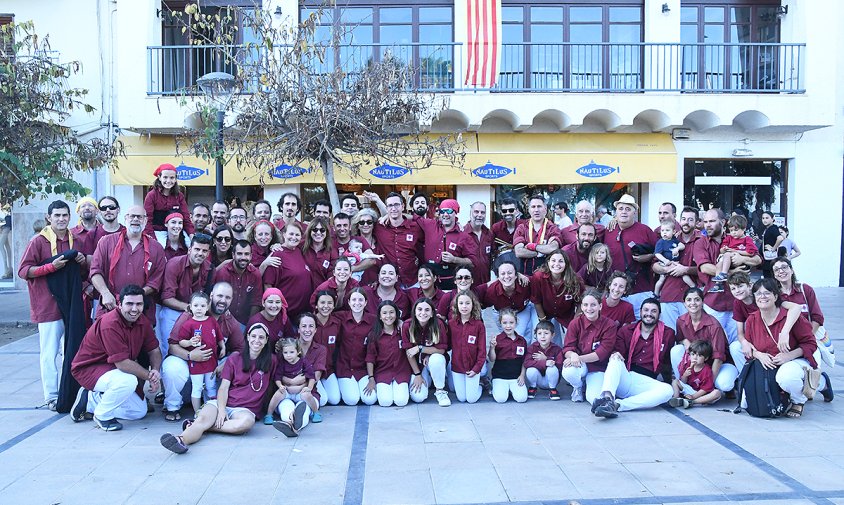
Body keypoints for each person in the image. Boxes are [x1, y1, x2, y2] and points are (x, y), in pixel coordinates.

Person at [159, 322, 277, 454]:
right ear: (248, 337)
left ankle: (202, 426)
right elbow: (223, 388)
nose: (257, 340)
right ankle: (180, 440)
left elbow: (273, 385)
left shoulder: (272, 361)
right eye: (253, 336)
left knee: (245, 423)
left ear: (267, 340)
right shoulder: (234, 358)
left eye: (261, 337)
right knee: (204, 419)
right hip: (223, 402)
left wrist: (268, 411)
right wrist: (221, 410)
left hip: (245, 409)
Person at [20, 200, 87, 410]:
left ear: (70, 217)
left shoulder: (74, 240)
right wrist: (50, 267)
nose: (61, 219)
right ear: (49, 218)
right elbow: (24, 271)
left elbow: (81, 273)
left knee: (72, 349)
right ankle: (51, 395)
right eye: (57, 215)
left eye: (65, 215)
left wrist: (84, 262)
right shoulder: (39, 242)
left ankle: (70, 392)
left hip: (71, 305)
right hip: (47, 304)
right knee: (49, 353)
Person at [70, 285, 161, 431]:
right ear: (119, 304)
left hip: (113, 369)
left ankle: (91, 401)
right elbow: (123, 364)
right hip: (89, 369)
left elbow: (154, 349)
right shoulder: (110, 323)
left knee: (138, 411)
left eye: (139, 304)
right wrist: (150, 377)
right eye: (129, 304)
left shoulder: (142, 320)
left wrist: (155, 371)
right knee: (128, 381)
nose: (134, 309)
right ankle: (102, 415)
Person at [743, 279, 832, 419]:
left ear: (776, 296)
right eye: (758, 293)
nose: (762, 296)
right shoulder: (752, 320)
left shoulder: (791, 317)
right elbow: (749, 348)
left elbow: (810, 344)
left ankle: (802, 398)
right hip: (770, 363)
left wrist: (789, 356)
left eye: (767, 293)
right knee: (745, 402)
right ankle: (811, 385)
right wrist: (759, 355)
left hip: (796, 360)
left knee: (786, 377)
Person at [161, 282, 244, 420]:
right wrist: (190, 355)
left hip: (212, 364)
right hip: (188, 361)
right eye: (219, 296)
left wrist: (226, 364)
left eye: (227, 298)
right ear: (211, 296)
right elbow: (172, 345)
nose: (223, 300)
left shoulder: (229, 320)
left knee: (236, 363)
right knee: (172, 367)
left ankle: (215, 407)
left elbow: (240, 349)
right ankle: (172, 406)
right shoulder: (190, 315)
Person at [591, 299, 675, 418]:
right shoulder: (626, 331)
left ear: (659, 315)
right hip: (626, 377)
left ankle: (617, 405)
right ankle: (607, 398)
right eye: (646, 310)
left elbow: (667, 362)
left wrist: (671, 381)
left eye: (653, 311)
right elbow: (617, 352)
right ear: (640, 312)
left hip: (645, 382)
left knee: (667, 391)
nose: (649, 314)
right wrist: (616, 354)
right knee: (615, 358)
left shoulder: (668, 333)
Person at [693, 209, 760, 344]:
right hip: (713, 303)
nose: (708, 225)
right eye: (705, 222)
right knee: (713, 344)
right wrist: (732, 273)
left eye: (712, 221)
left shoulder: (737, 238)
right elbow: (705, 267)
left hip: (738, 302)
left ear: (722, 222)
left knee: (739, 344)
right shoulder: (700, 243)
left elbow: (758, 260)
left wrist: (743, 259)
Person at [669, 287, 738, 395]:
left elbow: (718, 358)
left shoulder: (713, 325)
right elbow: (680, 338)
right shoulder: (681, 320)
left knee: (725, 384)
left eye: (697, 299)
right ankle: (683, 386)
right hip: (697, 364)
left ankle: (718, 389)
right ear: (684, 303)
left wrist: (709, 384)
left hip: (719, 364)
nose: (693, 303)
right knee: (676, 350)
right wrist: (686, 341)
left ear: (702, 302)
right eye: (689, 300)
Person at [158, 233, 213, 358]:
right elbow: (166, 298)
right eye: (197, 249)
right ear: (190, 249)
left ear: (208, 253)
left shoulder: (209, 269)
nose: (200, 253)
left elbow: (207, 296)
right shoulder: (174, 264)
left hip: (196, 312)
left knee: (197, 345)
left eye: (204, 251)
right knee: (168, 347)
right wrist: (188, 307)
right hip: (173, 310)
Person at [561, 289, 618, 403]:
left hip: (598, 367)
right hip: (579, 365)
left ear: (600, 306)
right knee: (568, 372)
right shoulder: (575, 323)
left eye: (593, 305)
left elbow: (602, 353)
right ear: (581, 307)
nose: (589, 308)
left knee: (593, 399)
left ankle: (589, 385)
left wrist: (577, 358)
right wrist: (572, 355)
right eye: (585, 305)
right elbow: (567, 348)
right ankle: (578, 386)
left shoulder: (609, 325)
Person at [604, 195, 657, 317]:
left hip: (640, 292)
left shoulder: (645, 230)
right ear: (615, 212)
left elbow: (659, 253)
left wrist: (648, 257)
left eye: (628, 209)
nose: (624, 212)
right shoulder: (608, 230)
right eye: (620, 208)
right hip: (615, 293)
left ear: (635, 212)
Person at [174, 292, 224, 416]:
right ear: (190, 306)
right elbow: (181, 342)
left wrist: (223, 346)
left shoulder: (211, 321)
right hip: (196, 363)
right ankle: (198, 413)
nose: (199, 309)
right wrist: (190, 342)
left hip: (211, 362)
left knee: (211, 387)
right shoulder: (188, 324)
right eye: (196, 305)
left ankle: (211, 411)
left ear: (207, 307)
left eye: (202, 306)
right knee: (197, 388)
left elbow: (219, 336)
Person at [414, 198, 476, 290]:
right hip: (429, 282)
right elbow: (412, 217)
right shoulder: (430, 225)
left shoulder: (464, 236)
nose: (445, 215)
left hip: (451, 283)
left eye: (449, 211)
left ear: (455, 213)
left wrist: (454, 259)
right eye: (442, 211)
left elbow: (472, 262)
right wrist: (388, 216)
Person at [656, 206, 700, 331]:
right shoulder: (668, 238)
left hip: (691, 298)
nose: (686, 222)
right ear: (679, 221)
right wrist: (666, 268)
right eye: (683, 219)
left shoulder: (701, 241)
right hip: (669, 294)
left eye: (690, 220)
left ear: (697, 223)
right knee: (669, 333)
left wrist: (685, 270)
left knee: (691, 334)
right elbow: (654, 265)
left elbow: (707, 268)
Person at [403, 297, 451, 406]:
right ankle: (429, 379)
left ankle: (440, 390)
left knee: (436, 359)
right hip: (417, 365)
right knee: (418, 397)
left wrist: (421, 348)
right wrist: (417, 374)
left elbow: (441, 350)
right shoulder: (407, 325)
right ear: (414, 311)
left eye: (427, 310)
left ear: (432, 313)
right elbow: (409, 353)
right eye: (419, 309)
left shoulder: (438, 324)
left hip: (434, 360)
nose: (423, 313)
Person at [530, 250, 584, 344]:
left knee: (573, 338)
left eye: (560, 261)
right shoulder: (538, 277)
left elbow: (580, 302)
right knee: (541, 337)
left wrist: (575, 321)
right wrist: (543, 320)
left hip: (566, 314)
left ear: (566, 264)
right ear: (548, 262)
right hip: (544, 311)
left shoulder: (575, 280)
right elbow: (536, 300)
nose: (556, 264)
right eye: (553, 260)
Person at [365, 301, 411, 407]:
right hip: (383, 373)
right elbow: (370, 358)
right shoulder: (374, 335)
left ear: (396, 315)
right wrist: (371, 378)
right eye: (384, 313)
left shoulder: (403, 331)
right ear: (380, 316)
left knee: (401, 401)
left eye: (391, 312)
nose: (388, 316)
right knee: (385, 402)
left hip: (401, 372)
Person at [267, 338, 316, 437]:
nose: (288, 355)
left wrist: (309, 388)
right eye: (285, 352)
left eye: (291, 352)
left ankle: (316, 412)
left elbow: (311, 376)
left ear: (298, 352)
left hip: (300, 392)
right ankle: (269, 414)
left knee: (307, 395)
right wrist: (280, 386)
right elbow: (277, 377)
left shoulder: (303, 362)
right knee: (278, 394)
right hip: (287, 392)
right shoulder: (282, 364)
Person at [336, 288, 378, 406]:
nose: (357, 303)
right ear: (349, 302)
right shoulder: (340, 317)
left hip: (363, 368)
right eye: (354, 300)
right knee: (352, 400)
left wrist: (400, 322)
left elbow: (390, 320)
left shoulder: (373, 320)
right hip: (345, 367)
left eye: (360, 300)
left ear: (365, 302)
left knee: (370, 400)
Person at [263, 223, 314, 317]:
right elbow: (268, 284)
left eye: (297, 235)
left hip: (303, 312)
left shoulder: (299, 251)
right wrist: (275, 308)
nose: (294, 237)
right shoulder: (278, 253)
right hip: (286, 313)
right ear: (284, 234)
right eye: (291, 234)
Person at [373, 192, 422, 288]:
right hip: (390, 284)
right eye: (390, 205)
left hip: (413, 281)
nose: (393, 208)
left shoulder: (415, 227)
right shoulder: (379, 227)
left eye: (396, 205)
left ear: (403, 206)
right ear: (386, 208)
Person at [448, 290, 487, 404]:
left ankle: (480, 384)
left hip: (473, 366)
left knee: (471, 399)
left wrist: (476, 369)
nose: (464, 306)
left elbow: (482, 350)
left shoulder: (479, 325)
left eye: (467, 303)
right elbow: (447, 345)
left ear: (473, 305)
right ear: (456, 305)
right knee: (461, 398)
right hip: (457, 367)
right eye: (461, 303)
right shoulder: (451, 324)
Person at [212, 240, 262, 326]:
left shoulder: (255, 274)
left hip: (245, 321)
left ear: (250, 256)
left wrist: (250, 324)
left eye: (246, 254)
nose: (243, 257)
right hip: (224, 320)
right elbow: (218, 300)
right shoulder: (224, 272)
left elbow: (256, 302)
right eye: (239, 254)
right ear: (233, 255)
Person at [480, 261, 535, 339]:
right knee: (506, 338)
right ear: (498, 277)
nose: (506, 276)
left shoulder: (525, 282)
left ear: (516, 275)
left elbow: (540, 283)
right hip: (501, 312)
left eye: (509, 273)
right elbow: (483, 305)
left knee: (519, 335)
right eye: (502, 274)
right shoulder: (492, 290)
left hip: (522, 310)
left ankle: (524, 350)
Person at [514, 195, 562, 275]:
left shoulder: (552, 228)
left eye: (539, 206)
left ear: (545, 209)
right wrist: (540, 253)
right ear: (529, 210)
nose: (536, 210)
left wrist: (533, 246)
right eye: (533, 207)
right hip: (525, 278)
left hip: (547, 277)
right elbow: (519, 252)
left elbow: (553, 248)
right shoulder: (521, 228)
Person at [488, 308, 528, 403]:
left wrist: (522, 375)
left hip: (516, 377)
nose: (508, 326)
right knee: (501, 399)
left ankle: (510, 389)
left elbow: (524, 360)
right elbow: (492, 359)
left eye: (511, 322)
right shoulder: (497, 339)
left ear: (516, 323)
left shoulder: (522, 340)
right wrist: (492, 347)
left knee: (521, 399)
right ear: (500, 323)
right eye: (505, 323)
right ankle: (496, 386)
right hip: (500, 376)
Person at [143, 163, 193, 236]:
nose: (168, 181)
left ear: (176, 179)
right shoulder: (151, 195)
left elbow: (186, 218)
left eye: (172, 178)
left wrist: (191, 234)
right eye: (165, 177)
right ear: (159, 177)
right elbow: (147, 219)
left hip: (177, 232)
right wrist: (152, 238)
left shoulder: (180, 196)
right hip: (157, 232)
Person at [669, 339, 720, 408]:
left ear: (706, 358)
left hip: (701, 394)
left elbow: (705, 389)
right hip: (689, 390)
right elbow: (683, 382)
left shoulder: (706, 370)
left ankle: (692, 402)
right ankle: (676, 398)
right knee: (675, 381)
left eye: (699, 355)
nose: (695, 358)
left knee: (716, 393)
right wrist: (685, 375)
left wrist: (693, 397)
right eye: (693, 354)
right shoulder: (687, 364)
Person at [711, 215, 758, 288]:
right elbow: (721, 250)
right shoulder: (729, 238)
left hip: (740, 260)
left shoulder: (747, 239)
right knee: (719, 264)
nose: (733, 233)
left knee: (727, 255)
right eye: (731, 230)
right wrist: (723, 249)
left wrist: (735, 251)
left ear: (744, 229)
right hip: (728, 261)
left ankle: (724, 274)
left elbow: (750, 252)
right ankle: (718, 284)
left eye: (736, 230)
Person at [295, 313, 327, 422]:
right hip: (288, 392)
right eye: (304, 326)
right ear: (298, 329)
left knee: (304, 411)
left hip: (310, 391)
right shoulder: (288, 347)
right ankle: (291, 423)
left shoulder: (321, 350)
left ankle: (294, 427)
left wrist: (294, 382)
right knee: (286, 413)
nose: (307, 330)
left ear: (315, 330)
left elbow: (316, 376)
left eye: (311, 326)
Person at [312, 291, 342, 406]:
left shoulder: (337, 323)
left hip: (328, 369)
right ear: (316, 305)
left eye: (329, 303)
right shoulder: (310, 322)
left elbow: (338, 344)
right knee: (322, 401)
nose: (326, 306)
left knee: (334, 399)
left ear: (334, 306)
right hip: (312, 370)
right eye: (322, 302)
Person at [523, 320, 564, 400]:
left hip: (551, 380)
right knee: (531, 370)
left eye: (546, 333)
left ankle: (553, 389)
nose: (543, 336)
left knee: (552, 368)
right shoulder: (532, 348)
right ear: (535, 335)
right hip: (537, 379)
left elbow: (560, 364)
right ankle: (533, 387)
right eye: (539, 333)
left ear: (552, 335)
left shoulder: (557, 349)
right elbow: (527, 362)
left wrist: (546, 358)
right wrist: (544, 362)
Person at [653, 223, 695, 298]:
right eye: (662, 231)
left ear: (674, 232)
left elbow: (682, 245)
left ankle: (693, 287)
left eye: (667, 230)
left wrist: (677, 248)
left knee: (683, 273)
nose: (665, 232)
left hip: (675, 262)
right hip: (666, 264)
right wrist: (665, 260)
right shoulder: (661, 242)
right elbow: (657, 254)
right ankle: (656, 293)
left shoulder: (674, 240)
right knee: (661, 279)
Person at [246, 288, 291, 352]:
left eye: (277, 302)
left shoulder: (283, 318)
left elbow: (291, 338)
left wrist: (283, 344)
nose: (274, 306)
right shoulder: (256, 321)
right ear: (263, 303)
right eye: (270, 302)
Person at [491, 197, 525, 272]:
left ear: (517, 211)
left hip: (522, 267)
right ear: (501, 212)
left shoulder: (525, 226)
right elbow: (493, 250)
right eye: (504, 211)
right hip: (503, 267)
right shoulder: (495, 228)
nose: (507, 213)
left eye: (511, 210)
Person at [463, 202, 494, 286]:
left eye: (482, 212)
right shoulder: (462, 234)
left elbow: (491, 257)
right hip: (467, 285)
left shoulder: (489, 234)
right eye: (476, 212)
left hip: (485, 283)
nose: (479, 215)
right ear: (470, 213)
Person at [302, 217, 337, 287]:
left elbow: (332, 275)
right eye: (315, 230)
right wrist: (275, 246)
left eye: (322, 230)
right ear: (310, 231)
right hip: (302, 291)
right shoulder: (301, 246)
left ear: (326, 232)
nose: (318, 233)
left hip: (322, 293)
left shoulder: (332, 252)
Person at [351, 208, 382, 285]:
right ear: (357, 225)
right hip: (356, 287)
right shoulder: (352, 242)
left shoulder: (380, 242)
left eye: (369, 222)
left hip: (378, 286)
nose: (365, 225)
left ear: (373, 224)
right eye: (362, 222)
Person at [760, 211, 782, 278]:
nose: (764, 220)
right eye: (763, 218)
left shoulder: (773, 228)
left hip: (770, 259)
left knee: (770, 278)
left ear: (772, 219)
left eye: (767, 218)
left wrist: (773, 248)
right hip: (766, 258)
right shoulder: (767, 229)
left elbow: (780, 238)